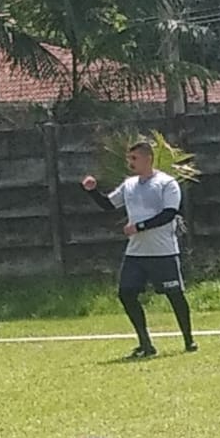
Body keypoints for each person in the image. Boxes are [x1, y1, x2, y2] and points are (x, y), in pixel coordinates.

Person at [81, 140, 197, 358]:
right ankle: (145, 344)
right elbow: (108, 204)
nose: (130, 162)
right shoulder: (129, 184)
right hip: (136, 253)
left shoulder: (166, 183)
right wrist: (92, 191)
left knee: (175, 295)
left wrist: (139, 227)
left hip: (163, 252)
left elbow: (169, 214)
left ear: (148, 158)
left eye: (134, 158)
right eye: (129, 158)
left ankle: (189, 340)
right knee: (126, 293)